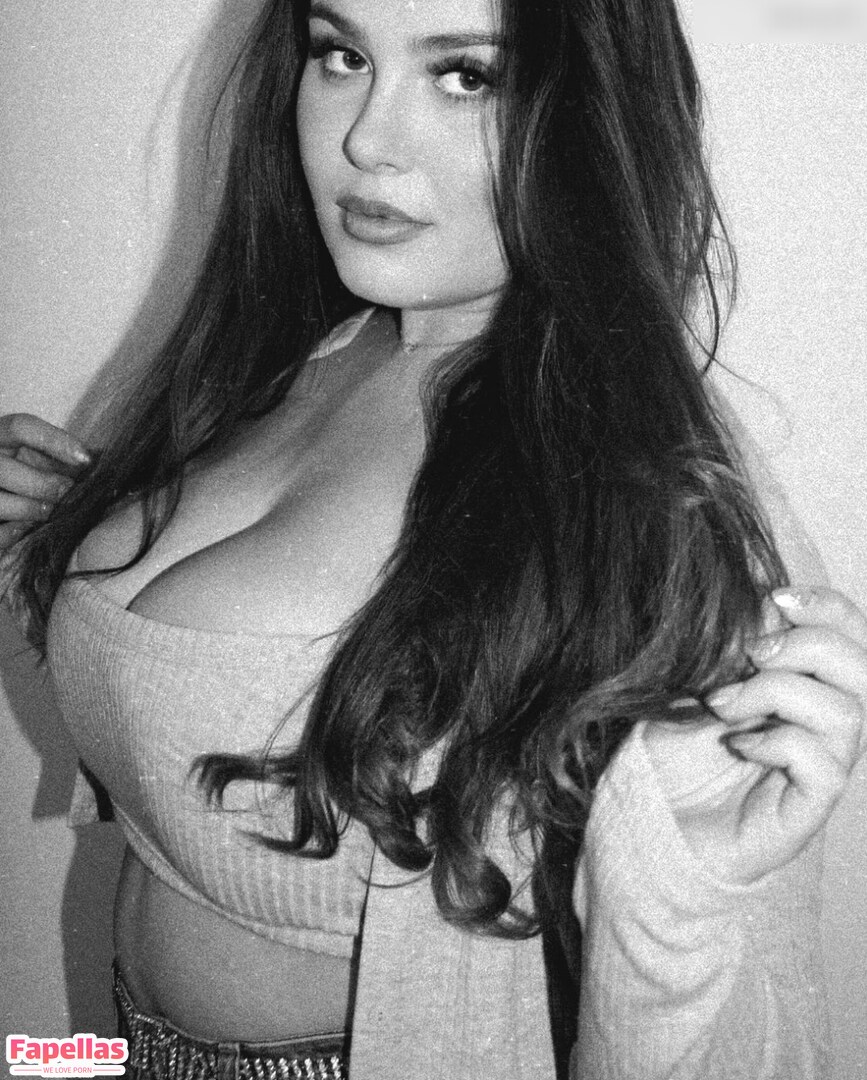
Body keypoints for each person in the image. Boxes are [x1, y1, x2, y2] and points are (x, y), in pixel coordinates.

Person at [1, 0, 865, 1077]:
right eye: (341, 55)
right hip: (123, 1045)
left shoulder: (642, 503)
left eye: (465, 76)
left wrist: (679, 900)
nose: (367, 137)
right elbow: (202, 693)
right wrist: (68, 537)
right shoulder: (313, 345)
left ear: (588, 116)